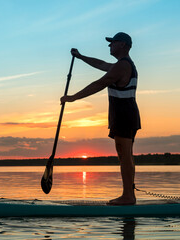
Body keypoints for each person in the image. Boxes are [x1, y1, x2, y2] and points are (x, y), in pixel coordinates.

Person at [60, 32, 141, 205]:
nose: (109, 45)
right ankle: (129, 194)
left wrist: (73, 97)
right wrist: (81, 57)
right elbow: (101, 64)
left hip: (124, 116)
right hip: (125, 115)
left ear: (123, 45)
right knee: (125, 155)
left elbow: (100, 83)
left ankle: (128, 196)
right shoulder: (121, 65)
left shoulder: (123, 65)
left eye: (113, 42)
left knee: (124, 155)